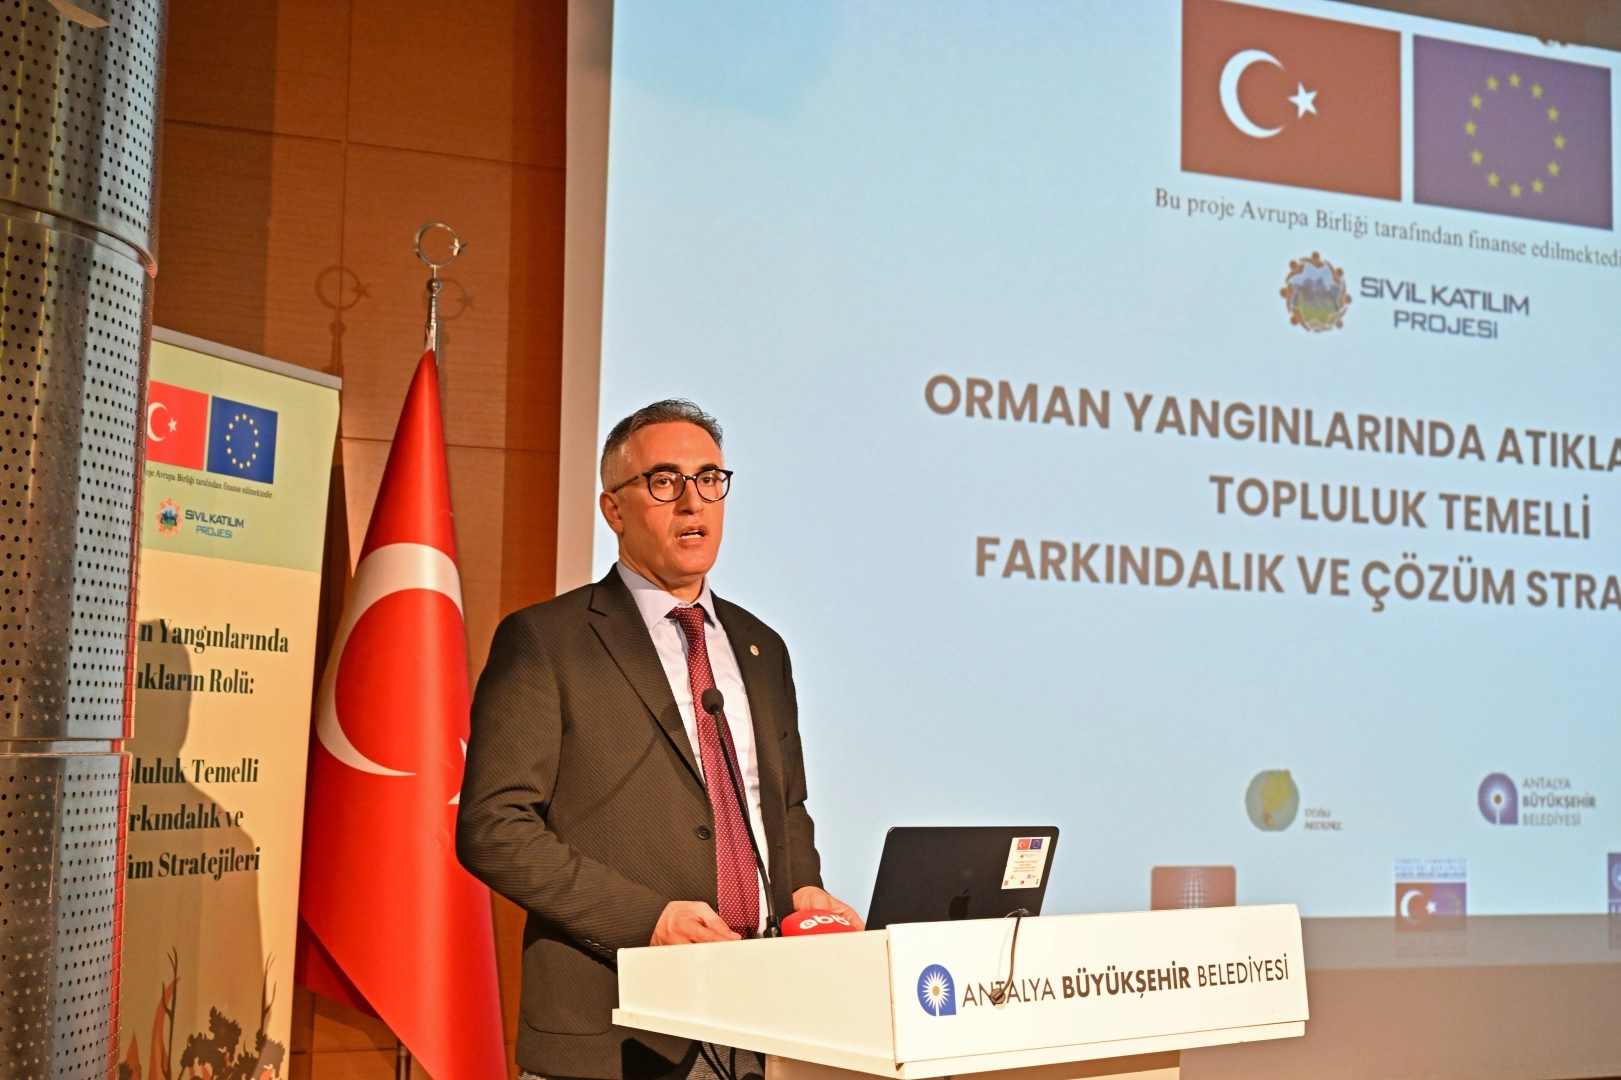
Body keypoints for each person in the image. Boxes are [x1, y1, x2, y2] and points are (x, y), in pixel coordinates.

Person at [457, 399, 863, 1080]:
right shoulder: (546, 641)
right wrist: (646, 920)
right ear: (613, 510)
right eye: (664, 481)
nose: (692, 501)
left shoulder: (761, 647)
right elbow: (493, 828)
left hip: (759, 1020)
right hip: (615, 1027)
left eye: (709, 479)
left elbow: (782, 809)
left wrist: (803, 896)